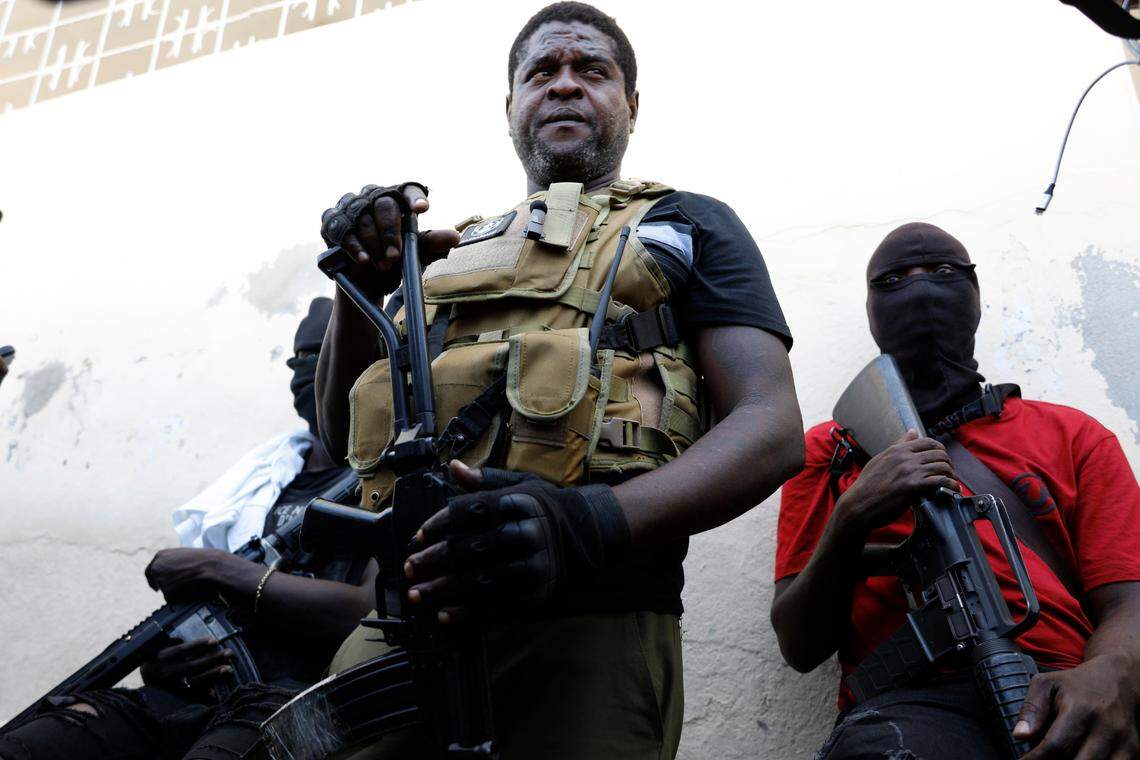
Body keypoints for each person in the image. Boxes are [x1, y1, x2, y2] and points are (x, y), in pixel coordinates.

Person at [310, 3, 804, 758]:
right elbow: (342, 438)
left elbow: (769, 429)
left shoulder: (689, 222)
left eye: (591, 71)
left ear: (630, 106)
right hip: (405, 626)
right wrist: (362, 289)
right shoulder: (441, 254)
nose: (564, 86)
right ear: (510, 106)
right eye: (541, 72)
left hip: (596, 620)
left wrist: (584, 525)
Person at [771, 223, 1140, 760]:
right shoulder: (830, 452)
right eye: (895, 279)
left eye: (945, 273)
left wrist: (1109, 677)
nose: (921, 288)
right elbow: (799, 645)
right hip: (914, 703)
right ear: (874, 309)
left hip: (1071, 685)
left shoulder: (1073, 434)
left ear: (975, 296)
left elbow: (1130, 600)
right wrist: (852, 517)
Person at [0, 298, 377, 760]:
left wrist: (222, 568)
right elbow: (212, 623)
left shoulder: (389, 477)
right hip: (189, 705)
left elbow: (368, 612)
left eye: (324, 354)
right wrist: (168, 666)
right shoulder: (255, 485)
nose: (310, 369)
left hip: (298, 704)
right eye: (300, 357)